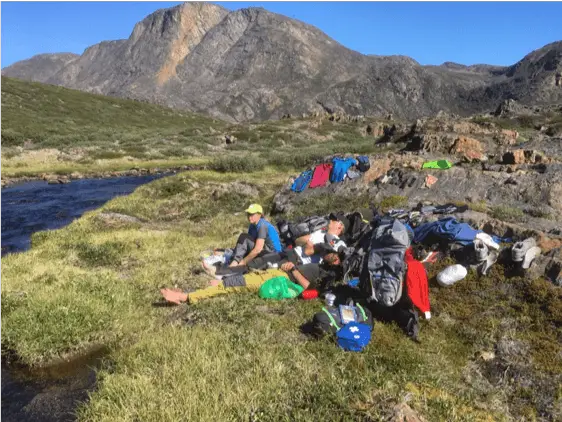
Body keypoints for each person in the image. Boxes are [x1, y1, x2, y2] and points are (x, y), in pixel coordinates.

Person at [161, 249, 344, 305]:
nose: (330, 252)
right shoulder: (322, 265)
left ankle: (186, 297)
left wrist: (294, 269)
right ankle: (209, 287)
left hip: (279, 280)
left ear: (337, 261)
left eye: (334, 254)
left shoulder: (326, 276)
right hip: (276, 274)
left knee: (234, 284)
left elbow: (308, 290)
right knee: (236, 280)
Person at [203, 204, 282, 274]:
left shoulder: (262, 225)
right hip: (264, 252)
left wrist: (243, 262)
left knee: (244, 237)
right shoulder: (253, 225)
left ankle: (232, 266)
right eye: (248, 214)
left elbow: (258, 249)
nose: (249, 216)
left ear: (259, 214)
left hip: (272, 255)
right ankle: (230, 260)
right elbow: (246, 245)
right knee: (243, 239)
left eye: (252, 214)